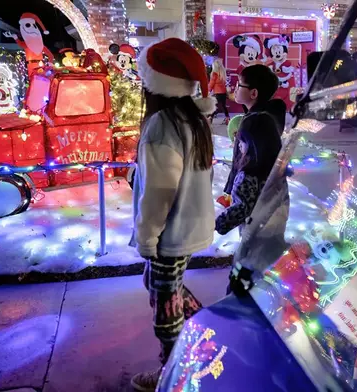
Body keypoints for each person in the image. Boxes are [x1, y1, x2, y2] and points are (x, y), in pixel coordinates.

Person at [129, 38, 216, 391]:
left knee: (164, 307)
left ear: (155, 83)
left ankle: (173, 376)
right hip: (189, 226)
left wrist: (148, 238)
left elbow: (159, 193)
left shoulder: (163, 124)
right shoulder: (192, 118)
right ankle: (206, 331)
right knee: (162, 285)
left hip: (171, 233)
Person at [221, 64, 286, 198]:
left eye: (239, 85)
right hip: (269, 193)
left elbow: (243, 163)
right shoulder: (268, 116)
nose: (235, 89)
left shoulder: (252, 122)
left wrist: (231, 191)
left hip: (249, 197)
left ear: (254, 93)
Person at [209, 58, 230, 125]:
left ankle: (210, 118)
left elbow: (211, 84)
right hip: (223, 93)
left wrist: (208, 90)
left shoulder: (214, 74)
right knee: (224, 106)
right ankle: (227, 118)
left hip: (217, 93)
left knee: (214, 106)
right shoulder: (222, 74)